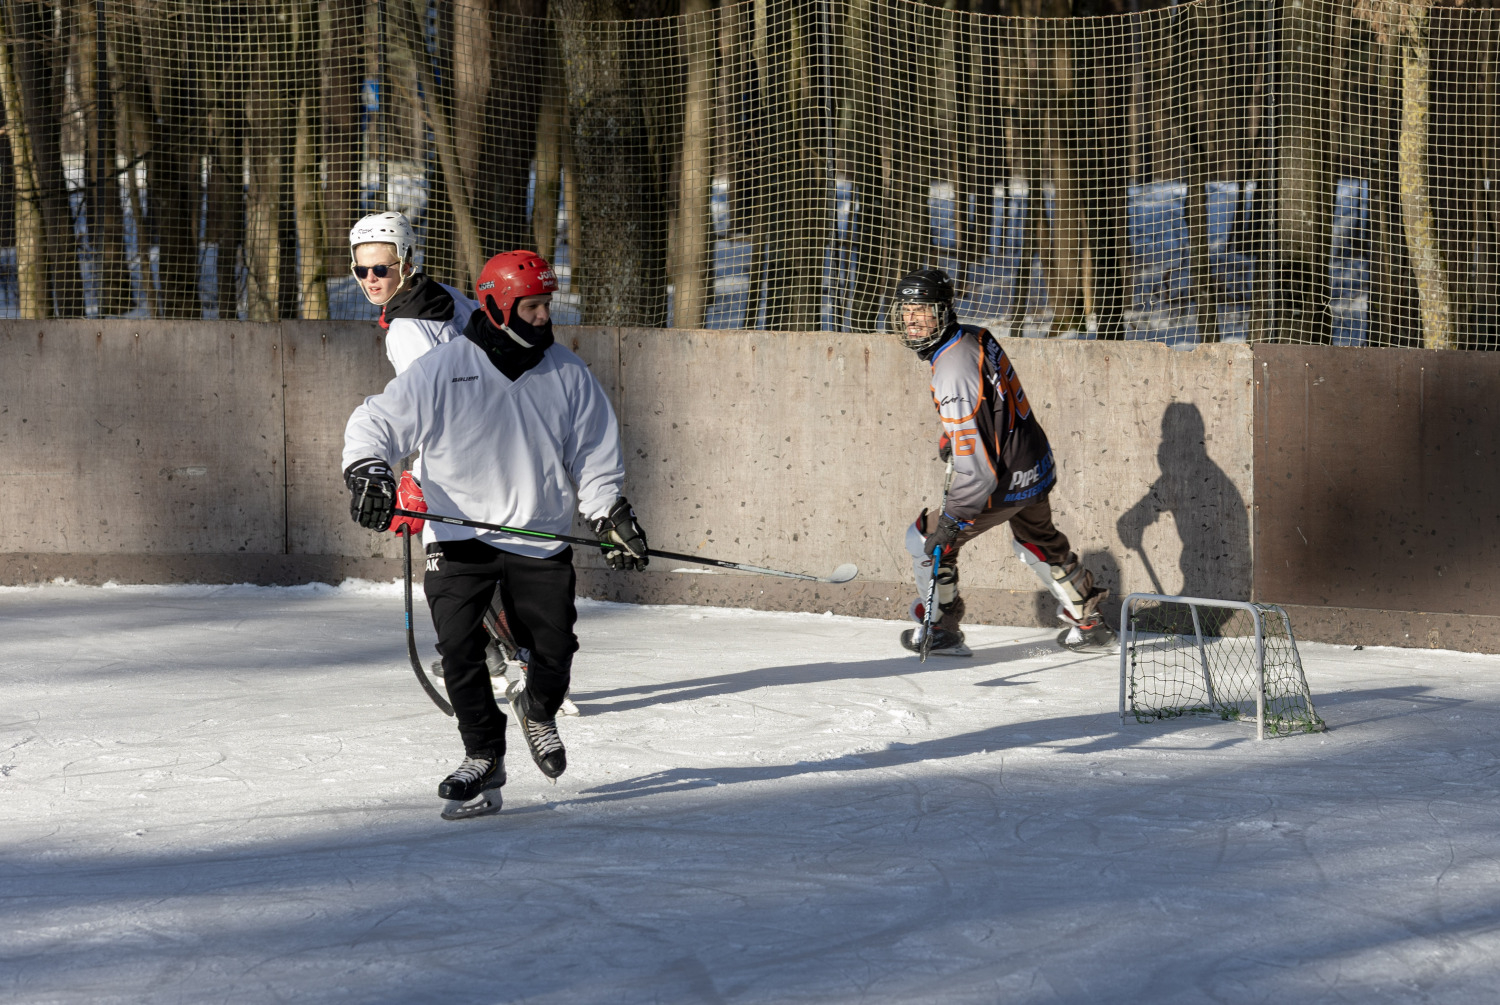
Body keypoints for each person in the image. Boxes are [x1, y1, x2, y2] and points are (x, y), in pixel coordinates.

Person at [341, 250, 649, 820]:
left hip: (538, 533)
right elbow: (377, 420)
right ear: (494, 304)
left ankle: (538, 706)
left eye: (545, 305)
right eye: (530, 306)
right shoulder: (444, 368)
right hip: (457, 533)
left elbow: (597, 453)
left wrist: (609, 513)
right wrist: (368, 468)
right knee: (459, 650)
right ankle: (483, 755)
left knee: (554, 651)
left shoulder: (567, 373)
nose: (542, 317)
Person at [891, 267, 1116, 656]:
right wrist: (955, 435)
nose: (912, 319)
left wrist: (952, 521)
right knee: (1037, 541)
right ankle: (1089, 623)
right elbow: (993, 402)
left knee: (927, 539)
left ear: (942, 311)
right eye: (907, 309)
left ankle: (941, 626)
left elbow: (976, 470)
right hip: (1032, 458)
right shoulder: (975, 335)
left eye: (922, 310)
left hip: (1001, 475)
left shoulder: (951, 370)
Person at [349, 211, 477, 375]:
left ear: (405, 267)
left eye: (380, 269)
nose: (370, 278)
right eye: (361, 270)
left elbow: (422, 396)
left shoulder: (405, 329)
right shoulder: (443, 292)